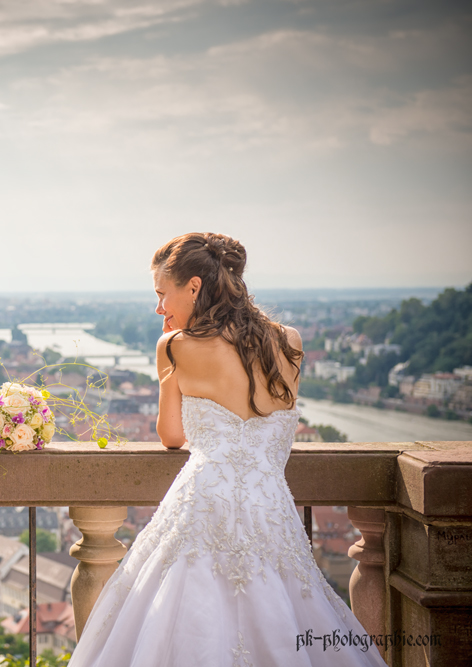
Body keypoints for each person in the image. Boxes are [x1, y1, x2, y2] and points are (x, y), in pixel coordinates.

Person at [67, 233, 385, 666]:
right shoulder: (289, 342)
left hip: (202, 506)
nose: (159, 308)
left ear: (194, 287)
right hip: (271, 509)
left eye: (162, 294)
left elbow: (172, 437)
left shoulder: (174, 347)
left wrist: (168, 374)